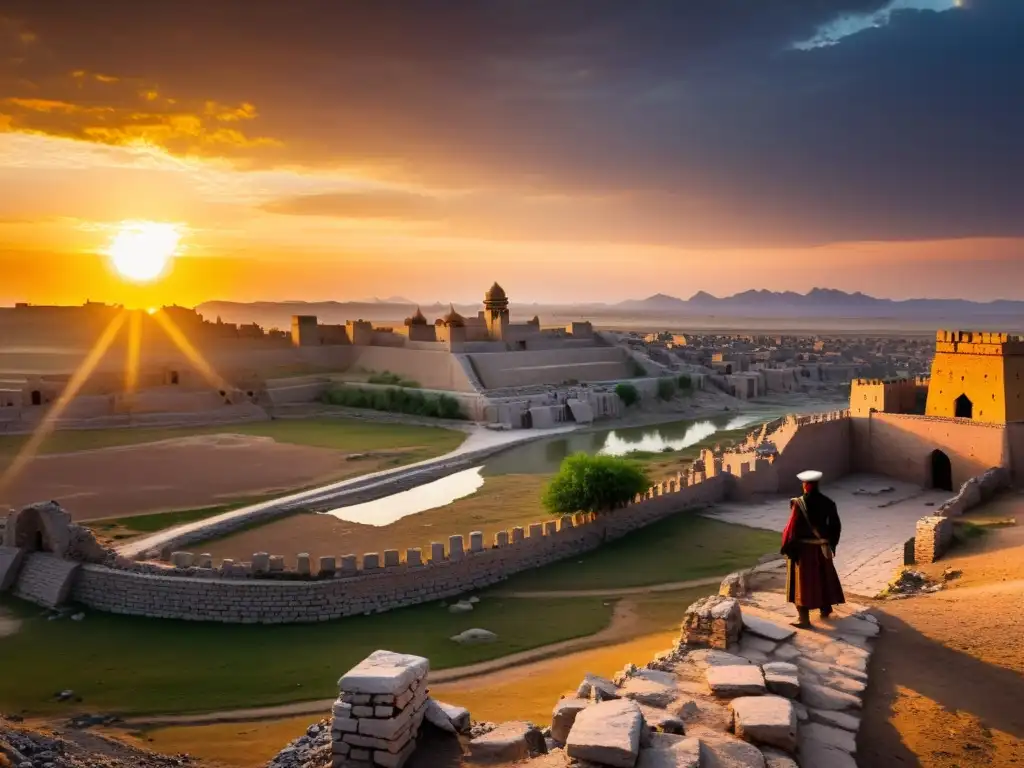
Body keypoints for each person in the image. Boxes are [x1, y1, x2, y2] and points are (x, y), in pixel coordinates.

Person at [780, 470, 845, 628]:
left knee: (802, 584)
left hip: (805, 551)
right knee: (824, 578)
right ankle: (825, 608)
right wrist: (831, 544)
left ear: (806, 485)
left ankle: (804, 619)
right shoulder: (829, 502)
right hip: (822, 549)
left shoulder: (799, 504)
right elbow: (836, 527)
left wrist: (788, 546)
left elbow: (791, 529)